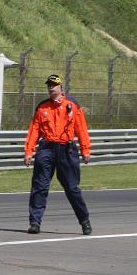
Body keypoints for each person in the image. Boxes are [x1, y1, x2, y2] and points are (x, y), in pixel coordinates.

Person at [23, 74, 92, 235]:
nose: (51, 87)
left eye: (54, 85)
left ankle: (84, 220)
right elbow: (34, 131)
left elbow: (81, 129)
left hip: (67, 150)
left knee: (72, 188)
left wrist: (85, 149)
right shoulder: (42, 107)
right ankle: (35, 222)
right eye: (49, 85)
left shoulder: (73, 105)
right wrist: (28, 151)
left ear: (61, 87)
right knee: (39, 186)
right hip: (46, 148)